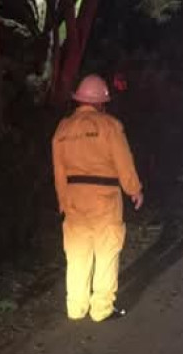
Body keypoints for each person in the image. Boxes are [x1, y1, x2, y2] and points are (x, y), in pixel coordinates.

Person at [52, 74, 144, 322]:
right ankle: (101, 309)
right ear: (102, 102)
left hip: (73, 199)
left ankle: (76, 308)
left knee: (77, 254)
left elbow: (58, 171)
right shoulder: (109, 126)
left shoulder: (62, 129)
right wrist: (134, 190)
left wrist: (63, 201)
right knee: (106, 252)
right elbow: (124, 162)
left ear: (79, 99)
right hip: (104, 198)